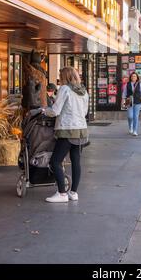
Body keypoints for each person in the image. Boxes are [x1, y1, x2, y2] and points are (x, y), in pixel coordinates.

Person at [41, 67, 89, 203]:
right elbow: (85, 112)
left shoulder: (64, 89)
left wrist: (45, 111)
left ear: (65, 77)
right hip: (81, 130)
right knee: (76, 161)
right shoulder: (84, 91)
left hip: (68, 129)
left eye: (60, 76)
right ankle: (73, 193)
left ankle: (62, 193)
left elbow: (55, 111)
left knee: (55, 161)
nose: (59, 78)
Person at [122, 72, 141, 136]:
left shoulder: (139, 84)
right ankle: (130, 126)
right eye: (132, 76)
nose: (133, 77)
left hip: (137, 101)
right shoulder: (127, 84)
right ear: (130, 77)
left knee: (135, 116)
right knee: (130, 116)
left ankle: (135, 130)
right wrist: (122, 100)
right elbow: (124, 93)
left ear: (137, 78)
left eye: (135, 76)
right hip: (129, 101)